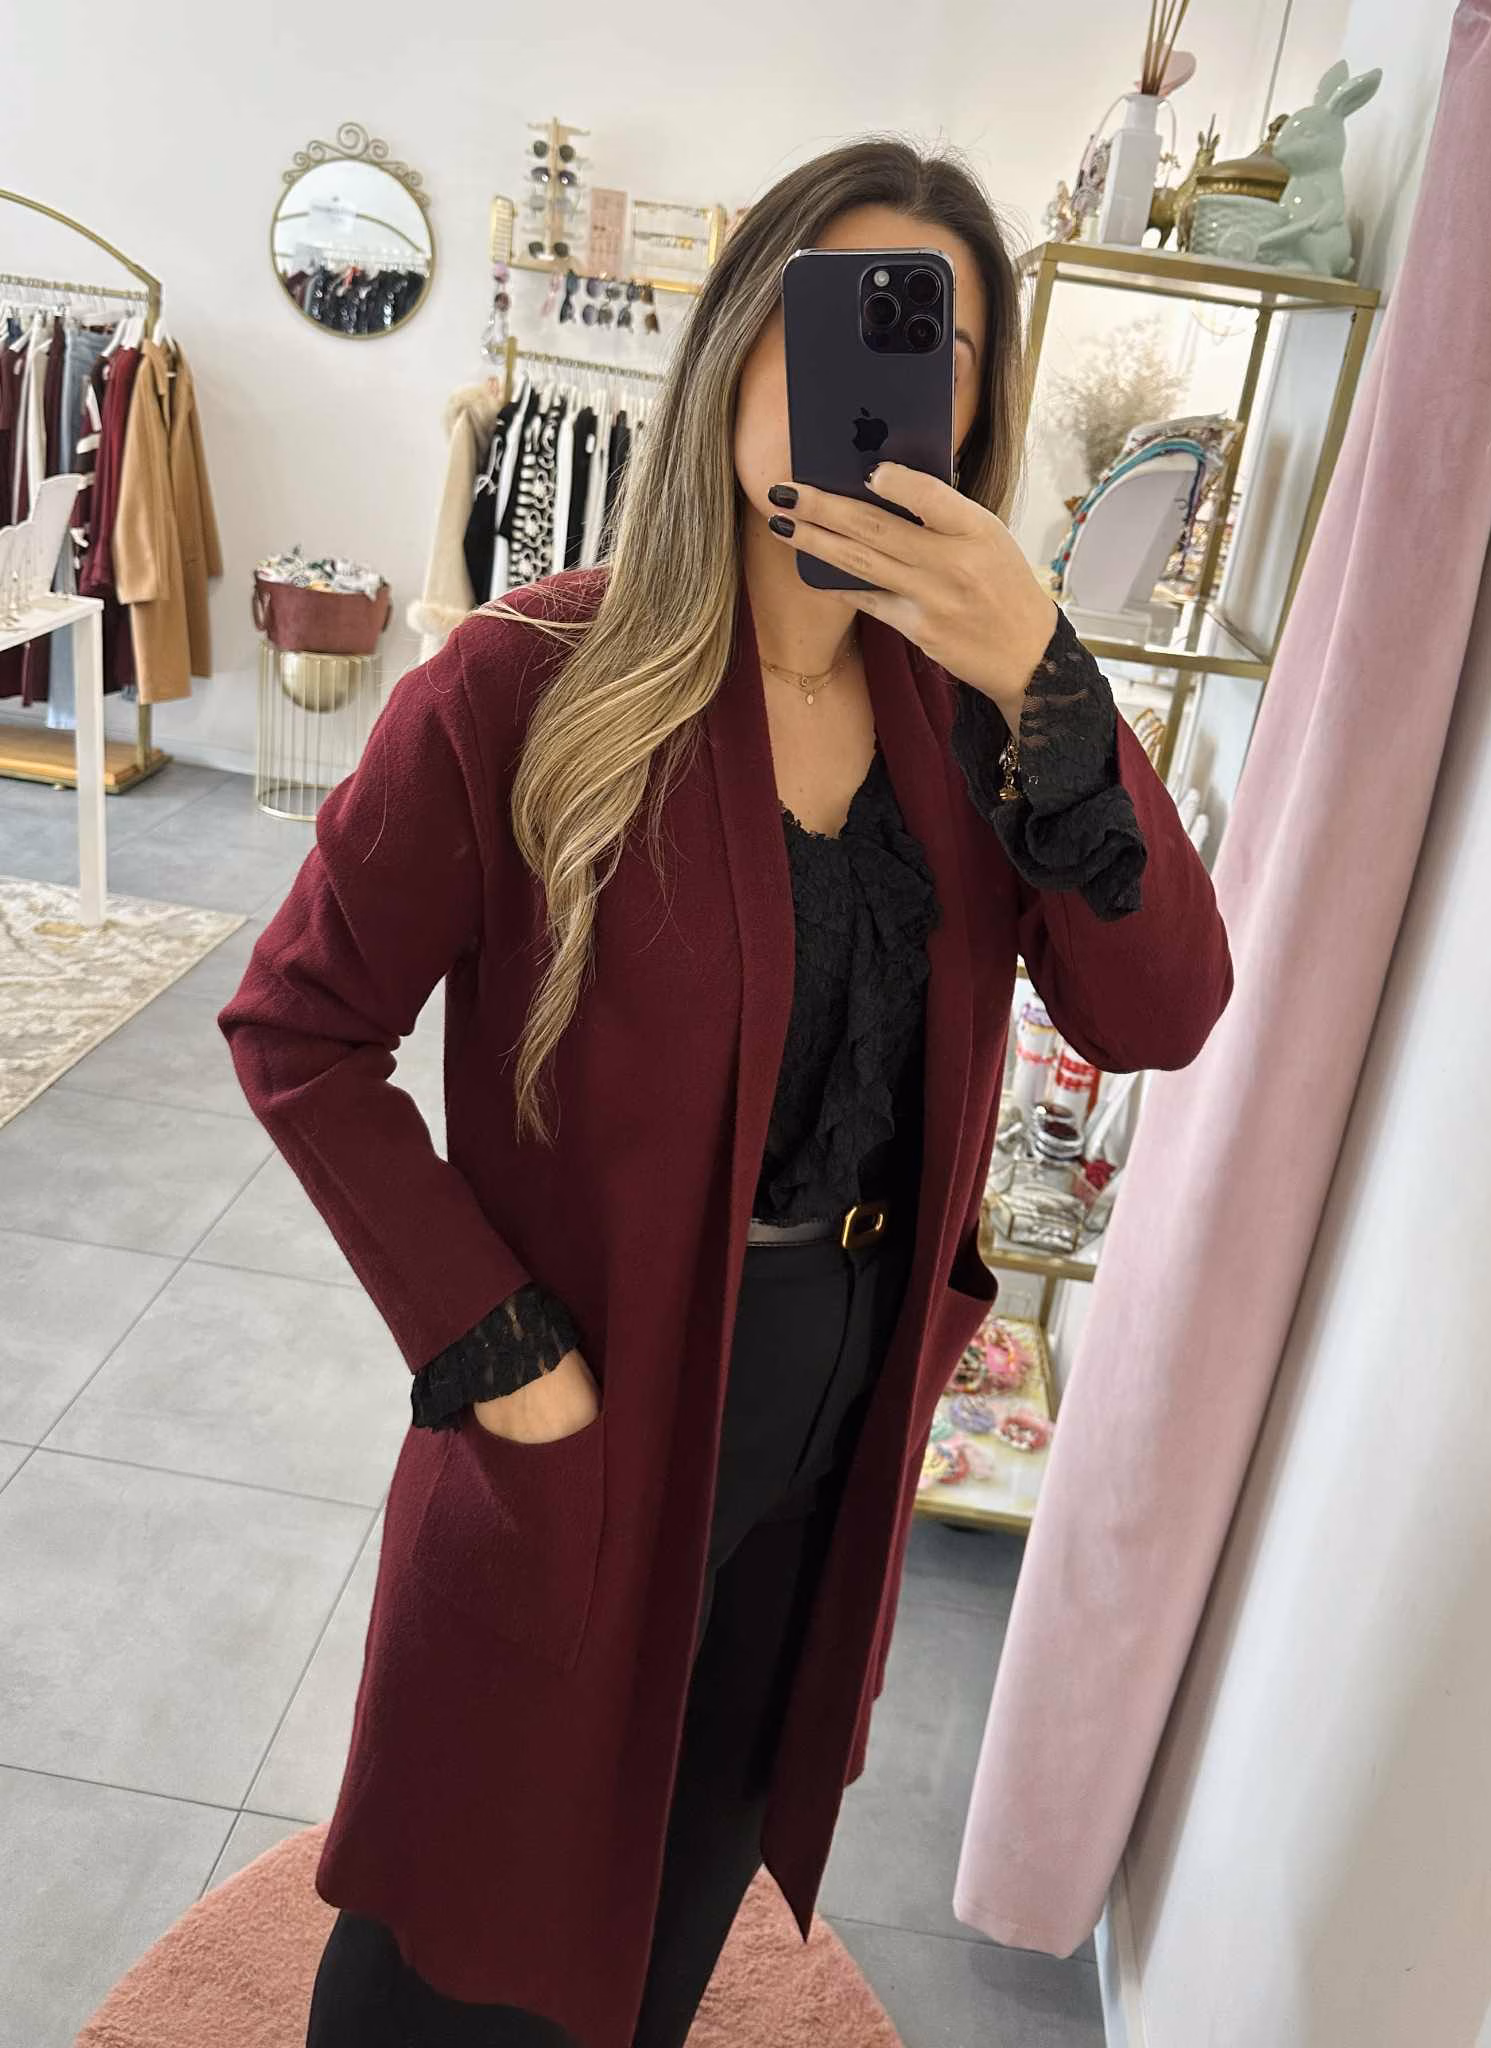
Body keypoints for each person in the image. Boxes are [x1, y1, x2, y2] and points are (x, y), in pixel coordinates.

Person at [218, 135, 1233, 2048]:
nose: (884, 385)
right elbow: (298, 1026)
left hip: (839, 1413)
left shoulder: (977, 725)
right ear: (737, 348)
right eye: (842, 323)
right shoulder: (528, 683)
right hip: (591, 1389)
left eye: (939, 355)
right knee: (475, 1884)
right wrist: (491, 1343)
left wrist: (1049, 678)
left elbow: (1163, 1009)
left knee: (692, 1851)